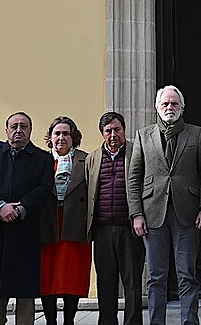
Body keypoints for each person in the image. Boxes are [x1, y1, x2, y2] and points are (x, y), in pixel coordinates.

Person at [127, 85, 201, 325]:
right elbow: (133, 178)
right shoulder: (143, 135)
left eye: (174, 104)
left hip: (187, 213)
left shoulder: (196, 134)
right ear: (157, 107)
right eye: (165, 104)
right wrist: (136, 213)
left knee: (187, 274)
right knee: (156, 277)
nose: (169, 108)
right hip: (152, 214)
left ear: (182, 107)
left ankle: (189, 321)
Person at [0, 112, 53, 325]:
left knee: (25, 298)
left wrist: (22, 207)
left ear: (30, 130)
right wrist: (0, 207)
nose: (18, 130)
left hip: (25, 233)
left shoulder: (43, 158)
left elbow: (44, 188)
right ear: (6, 130)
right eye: (14, 126)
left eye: (23, 126)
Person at [86, 112, 145, 325]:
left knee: (132, 282)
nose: (113, 134)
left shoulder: (136, 152)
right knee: (105, 281)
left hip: (129, 229)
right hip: (102, 230)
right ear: (102, 133)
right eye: (108, 130)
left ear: (124, 130)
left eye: (117, 129)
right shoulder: (92, 158)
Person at [39, 117, 92, 325]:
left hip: (74, 222)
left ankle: (69, 320)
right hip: (48, 223)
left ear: (73, 137)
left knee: (72, 274)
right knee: (47, 274)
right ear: (50, 137)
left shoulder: (85, 160)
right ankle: (51, 320)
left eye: (66, 134)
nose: (61, 138)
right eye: (57, 133)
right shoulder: (41, 160)